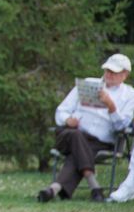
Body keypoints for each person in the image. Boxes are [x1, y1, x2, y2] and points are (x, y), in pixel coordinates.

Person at [38, 53, 134, 203]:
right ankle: (94, 185)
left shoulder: (129, 95)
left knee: (78, 152)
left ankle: (54, 189)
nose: (108, 74)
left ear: (125, 75)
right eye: (107, 70)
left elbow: (122, 127)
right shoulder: (89, 83)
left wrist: (111, 106)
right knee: (77, 137)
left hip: (100, 142)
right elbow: (61, 110)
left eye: (113, 72)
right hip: (70, 134)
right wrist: (68, 120)